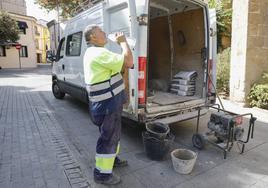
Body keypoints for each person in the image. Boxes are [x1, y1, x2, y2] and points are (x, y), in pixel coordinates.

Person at [83, 25, 133, 185]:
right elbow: (129, 61)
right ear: (92, 37)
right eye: (100, 31)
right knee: (108, 138)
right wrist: (123, 42)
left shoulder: (95, 52)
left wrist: (123, 97)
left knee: (113, 135)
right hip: (107, 105)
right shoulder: (99, 53)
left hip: (108, 103)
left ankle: (112, 159)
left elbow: (117, 72)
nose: (105, 33)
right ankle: (102, 174)